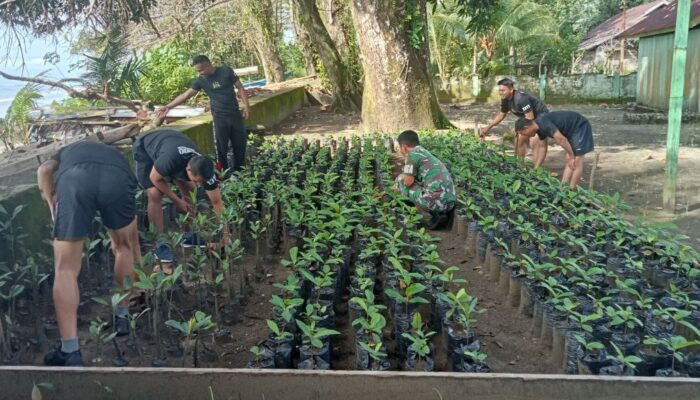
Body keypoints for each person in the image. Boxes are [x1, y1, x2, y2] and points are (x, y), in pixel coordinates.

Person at [37, 141, 142, 366]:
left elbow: (44, 170)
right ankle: (122, 316)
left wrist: (50, 202)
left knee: (65, 268)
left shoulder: (64, 153)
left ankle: (70, 351)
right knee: (123, 247)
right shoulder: (115, 155)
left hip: (75, 180)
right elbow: (133, 243)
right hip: (117, 178)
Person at [133, 128, 226, 262]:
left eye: (202, 182)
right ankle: (159, 243)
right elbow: (155, 178)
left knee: (191, 190)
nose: (200, 184)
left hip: (171, 145)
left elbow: (217, 202)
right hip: (146, 148)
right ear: (188, 170)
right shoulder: (170, 159)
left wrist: (226, 235)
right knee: (155, 194)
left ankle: (188, 235)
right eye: (196, 180)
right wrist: (177, 200)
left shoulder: (205, 168)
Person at [158, 55, 251, 175]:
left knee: (240, 144)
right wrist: (168, 106)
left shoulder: (226, 71)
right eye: (197, 71)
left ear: (208, 65)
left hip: (235, 115)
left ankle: (240, 171)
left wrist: (247, 107)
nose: (199, 73)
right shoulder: (201, 80)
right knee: (220, 149)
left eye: (201, 70)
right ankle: (222, 173)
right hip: (219, 118)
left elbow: (240, 87)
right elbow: (185, 95)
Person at [393, 130, 456, 230]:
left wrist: (393, 189)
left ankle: (410, 217)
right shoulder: (423, 152)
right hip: (449, 202)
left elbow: (407, 182)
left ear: (404, 147)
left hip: (437, 203)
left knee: (400, 181)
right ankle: (438, 215)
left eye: (399, 147)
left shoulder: (412, 155)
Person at [514, 111, 595, 188]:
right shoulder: (538, 129)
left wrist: (572, 155)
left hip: (579, 126)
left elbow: (561, 139)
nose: (525, 136)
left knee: (577, 160)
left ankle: (572, 190)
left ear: (526, 128)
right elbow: (542, 149)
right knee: (569, 159)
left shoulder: (543, 123)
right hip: (570, 131)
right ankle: (563, 187)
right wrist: (536, 167)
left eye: (522, 133)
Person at [480, 78, 550, 167]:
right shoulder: (505, 99)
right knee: (519, 140)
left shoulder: (521, 98)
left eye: (503, 90)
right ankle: (520, 167)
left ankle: (537, 170)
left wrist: (516, 129)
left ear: (511, 89)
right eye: (499, 90)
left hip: (541, 116)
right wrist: (487, 127)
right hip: (528, 119)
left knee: (534, 141)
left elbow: (530, 117)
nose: (500, 92)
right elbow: (501, 115)